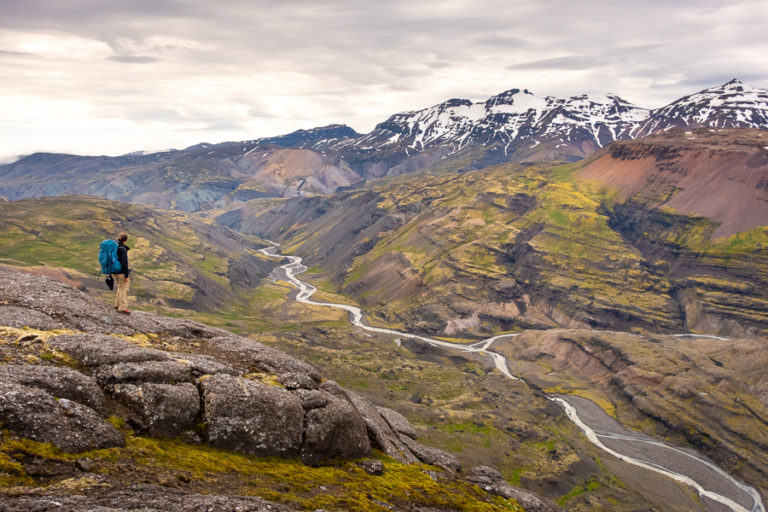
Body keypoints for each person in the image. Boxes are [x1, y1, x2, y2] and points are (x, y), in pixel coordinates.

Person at [114, 231, 131, 315]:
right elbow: (124, 263)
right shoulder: (123, 249)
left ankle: (117, 305)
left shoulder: (115, 247)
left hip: (115, 271)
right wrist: (126, 275)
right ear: (125, 240)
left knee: (120, 287)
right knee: (123, 289)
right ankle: (123, 308)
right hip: (121, 272)